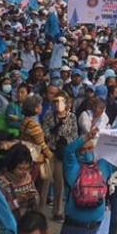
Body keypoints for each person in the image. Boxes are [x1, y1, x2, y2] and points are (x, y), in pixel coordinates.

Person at [61, 126, 117, 234]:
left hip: (79, 228)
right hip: (85, 229)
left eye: (90, 148)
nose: (87, 151)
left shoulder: (72, 168)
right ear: (78, 151)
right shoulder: (102, 167)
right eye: (85, 149)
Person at [42, 93, 78, 221]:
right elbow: (44, 132)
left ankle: (58, 211)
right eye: (55, 101)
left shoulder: (72, 117)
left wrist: (65, 141)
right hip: (49, 151)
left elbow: (74, 136)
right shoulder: (49, 116)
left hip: (62, 154)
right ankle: (40, 210)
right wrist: (55, 130)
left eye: (61, 101)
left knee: (59, 184)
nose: (58, 104)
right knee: (45, 182)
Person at [0, 143, 39, 217]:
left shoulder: (28, 178)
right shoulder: (2, 182)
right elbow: (0, 209)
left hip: (26, 221)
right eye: (20, 168)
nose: (24, 173)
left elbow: (37, 200)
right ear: (12, 166)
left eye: (27, 168)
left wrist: (34, 197)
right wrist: (18, 201)